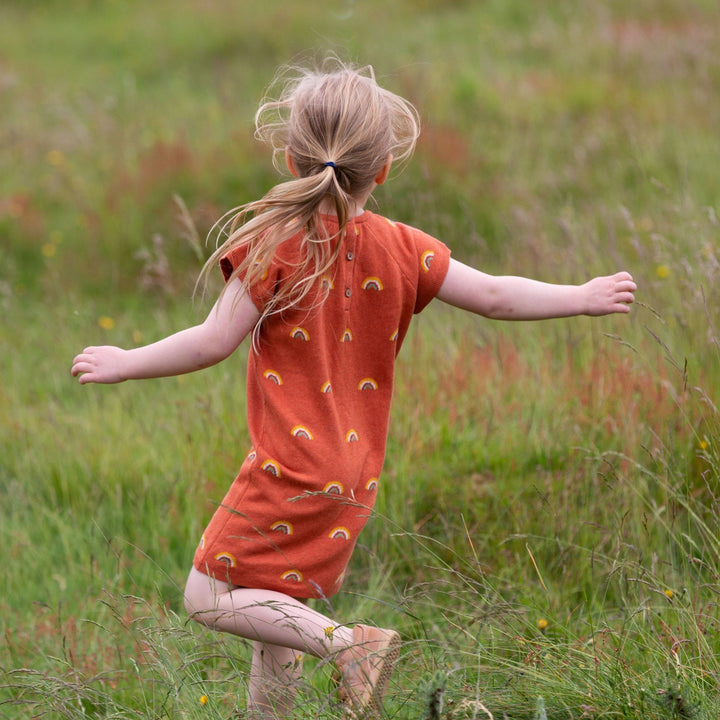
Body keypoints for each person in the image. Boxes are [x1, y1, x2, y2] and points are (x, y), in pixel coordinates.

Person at [71, 57, 637, 719]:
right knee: (273, 610)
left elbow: (211, 341)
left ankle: (350, 644)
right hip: (355, 473)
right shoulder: (403, 247)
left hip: (291, 463)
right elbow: (492, 297)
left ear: (290, 159)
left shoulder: (273, 244)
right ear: (385, 167)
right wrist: (582, 295)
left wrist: (125, 360)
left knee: (210, 596)